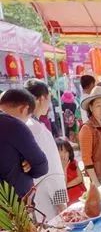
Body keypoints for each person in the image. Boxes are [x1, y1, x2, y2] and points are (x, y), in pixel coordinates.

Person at [24, 79, 67, 222]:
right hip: (46, 199)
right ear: (42, 98)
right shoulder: (36, 128)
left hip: (35, 197)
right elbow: (52, 171)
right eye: (49, 98)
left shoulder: (28, 125)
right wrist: (61, 203)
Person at [0, 87, 48, 198]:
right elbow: (41, 167)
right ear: (24, 109)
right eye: (29, 116)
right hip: (11, 207)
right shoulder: (13, 125)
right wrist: (30, 164)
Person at [56, 138, 85, 204]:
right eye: (60, 151)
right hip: (69, 198)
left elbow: (80, 178)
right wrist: (64, 168)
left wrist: (66, 186)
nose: (63, 154)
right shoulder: (56, 168)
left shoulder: (73, 162)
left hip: (80, 193)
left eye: (66, 151)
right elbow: (62, 185)